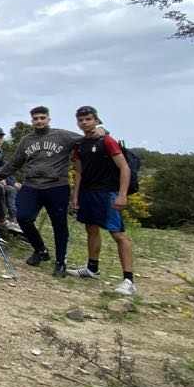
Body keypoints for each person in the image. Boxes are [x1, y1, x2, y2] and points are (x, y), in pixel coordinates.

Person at [0, 106, 104, 277]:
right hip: (31, 185)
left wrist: (101, 129)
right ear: (32, 121)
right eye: (36, 118)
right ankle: (40, 250)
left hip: (57, 186)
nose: (39, 121)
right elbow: (15, 162)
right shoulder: (27, 140)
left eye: (42, 118)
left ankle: (60, 262)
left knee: (59, 225)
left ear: (48, 119)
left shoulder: (63, 136)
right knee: (23, 217)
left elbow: (88, 138)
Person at [68, 106, 137, 296]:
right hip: (88, 192)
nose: (84, 123)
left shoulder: (107, 141)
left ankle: (129, 279)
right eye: (81, 120)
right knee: (91, 228)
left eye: (88, 119)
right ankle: (92, 268)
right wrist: (75, 195)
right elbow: (79, 172)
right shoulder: (79, 145)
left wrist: (122, 194)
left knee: (118, 234)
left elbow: (124, 168)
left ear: (96, 120)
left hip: (108, 192)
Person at [0, 127, 22, 233]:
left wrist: (13, 181)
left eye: (1, 137)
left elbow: (6, 168)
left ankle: (14, 219)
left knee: (14, 189)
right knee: (7, 189)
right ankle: (3, 219)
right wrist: (2, 179)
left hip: (2, 178)